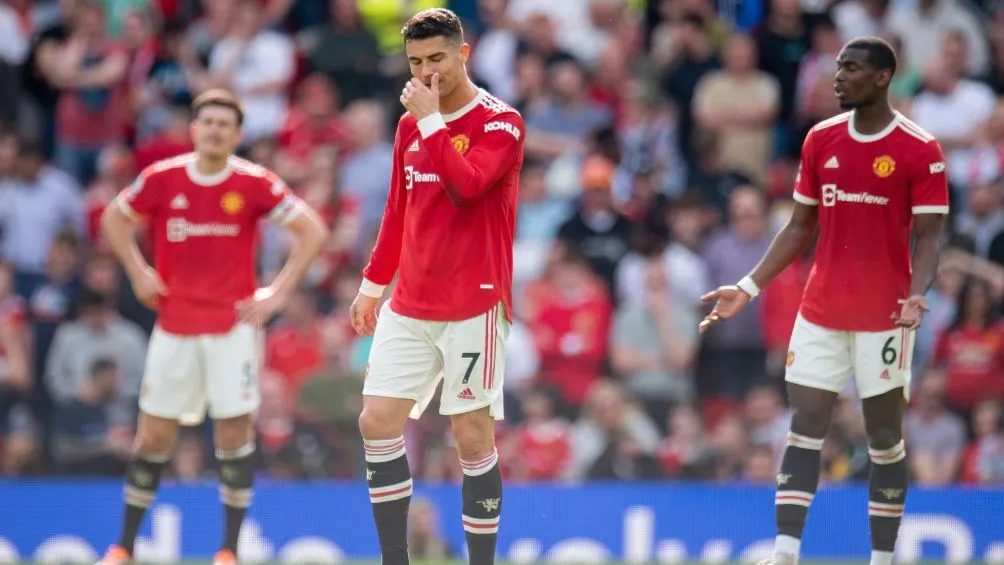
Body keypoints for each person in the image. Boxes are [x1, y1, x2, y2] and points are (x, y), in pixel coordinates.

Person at [699, 37, 949, 565]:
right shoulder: (821, 139)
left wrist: (917, 295)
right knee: (805, 425)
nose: (837, 77)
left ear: (882, 77)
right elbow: (798, 228)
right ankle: (786, 553)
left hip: (884, 317)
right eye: (837, 68)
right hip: (820, 314)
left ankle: (882, 558)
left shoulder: (919, 147)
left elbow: (930, 237)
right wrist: (747, 287)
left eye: (851, 69)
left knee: (884, 438)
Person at [95, 89, 328, 565]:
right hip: (175, 326)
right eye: (209, 122)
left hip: (231, 329)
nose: (216, 130)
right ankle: (124, 547)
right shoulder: (163, 179)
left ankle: (229, 550)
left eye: (226, 124)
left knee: (233, 437)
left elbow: (312, 230)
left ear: (237, 135)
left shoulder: (253, 182)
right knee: (154, 437)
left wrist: (278, 292)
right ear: (194, 129)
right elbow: (115, 218)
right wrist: (138, 272)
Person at [348, 8, 525, 565]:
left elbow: (467, 189)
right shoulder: (407, 126)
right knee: (376, 422)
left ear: (463, 53)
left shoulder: (502, 123)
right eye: (416, 62)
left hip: (474, 303)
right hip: (411, 302)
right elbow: (398, 210)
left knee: (471, 436)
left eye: (438, 59)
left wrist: (431, 120)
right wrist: (373, 285)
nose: (427, 73)